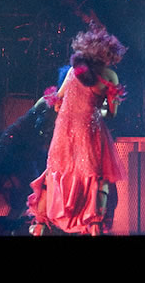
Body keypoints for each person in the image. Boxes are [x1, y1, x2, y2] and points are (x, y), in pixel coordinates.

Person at [27, 23, 127, 236]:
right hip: (88, 132)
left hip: (63, 131)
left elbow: (58, 99)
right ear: (110, 54)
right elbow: (111, 114)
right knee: (95, 177)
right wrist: (95, 111)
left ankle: (39, 225)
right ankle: (94, 225)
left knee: (54, 174)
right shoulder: (110, 76)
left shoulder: (74, 71)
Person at [0, 88, 58, 219]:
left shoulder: (52, 119)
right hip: (12, 146)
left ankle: (14, 220)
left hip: (25, 150)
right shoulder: (40, 109)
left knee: (27, 188)